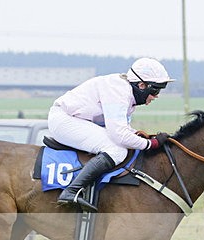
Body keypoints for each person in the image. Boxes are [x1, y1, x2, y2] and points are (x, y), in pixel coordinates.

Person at [47, 57, 174, 212]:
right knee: (117, 150)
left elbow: (121, 128)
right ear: (141, 85)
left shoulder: (126, 93)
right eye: (155, 90)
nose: (156, 96)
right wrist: (151, 144)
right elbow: (119, 135)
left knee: (122, 146)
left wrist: (138, 135)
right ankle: (71, 191)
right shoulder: (118, 91)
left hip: (78, 120)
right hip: (64, 120)